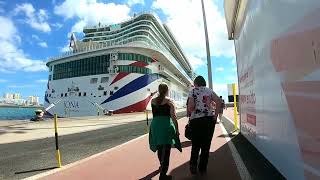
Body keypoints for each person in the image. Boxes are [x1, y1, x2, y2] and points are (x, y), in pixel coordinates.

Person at [187, 76, 221, 175]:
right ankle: (202, 168)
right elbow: (218, 101)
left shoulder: (192, 91)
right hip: (208, 120)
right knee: (206, 145)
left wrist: (194, 107)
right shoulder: (209, 91)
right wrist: (215, 116)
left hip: (196, 121)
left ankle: (193, 165)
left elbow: (191, 108)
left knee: (196, 144)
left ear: (196, 83)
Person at [149, 83, 182, 180]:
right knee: (166, 148)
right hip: (166, 125)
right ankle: (163, 174)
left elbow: (155, 113)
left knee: (159, 147)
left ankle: (161, 165)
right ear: (167, 90)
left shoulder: (153, 101)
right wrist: (177, 129)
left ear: (159, 90)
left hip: (155, 125)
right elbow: (174, 117)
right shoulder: (170, 101)